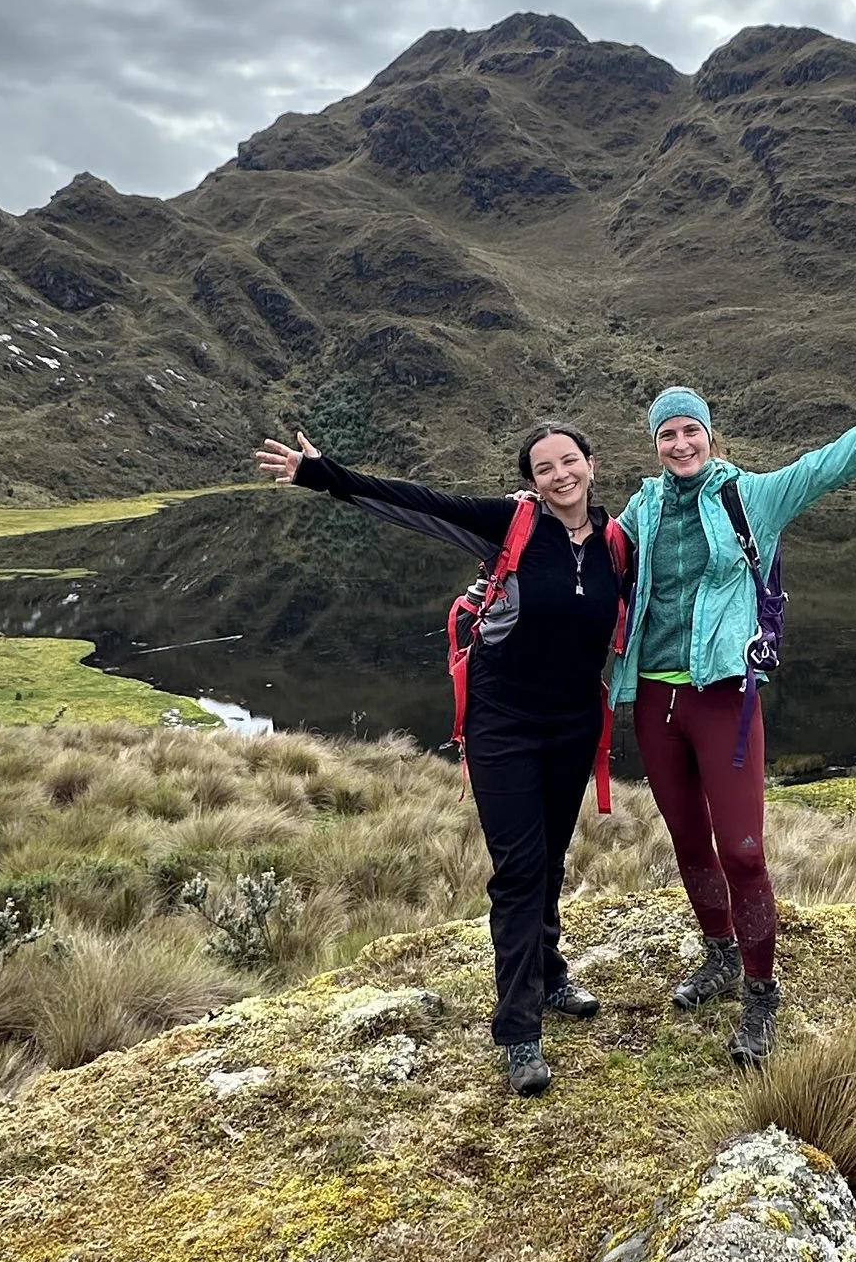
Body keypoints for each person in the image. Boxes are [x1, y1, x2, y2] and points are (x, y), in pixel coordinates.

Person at [254, 417, 628, 1098]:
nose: (560, 475)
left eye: (569, 461)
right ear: (532, 481)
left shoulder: (615, 542)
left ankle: (547, 975)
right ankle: (518, 1030)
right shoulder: (509, 526)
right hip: (503, 723)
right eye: (544, 468)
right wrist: (323, 474)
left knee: (549, 857)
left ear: (591, 465)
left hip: (574, 724)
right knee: (518, 870)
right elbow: (418, 502)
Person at [613, 359, 856, 1065]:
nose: (679, 444)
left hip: (725, 697)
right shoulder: (642, 509)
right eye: (667, 434)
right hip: (655, 700)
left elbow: (837, 460)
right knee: (688, 844)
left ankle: (760, 991)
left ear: (711, 436)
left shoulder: (756, 496)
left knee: (742, 851)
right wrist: (527, 519)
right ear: (654, 444)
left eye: (690, 431)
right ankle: (718, 954)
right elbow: (594, 553)